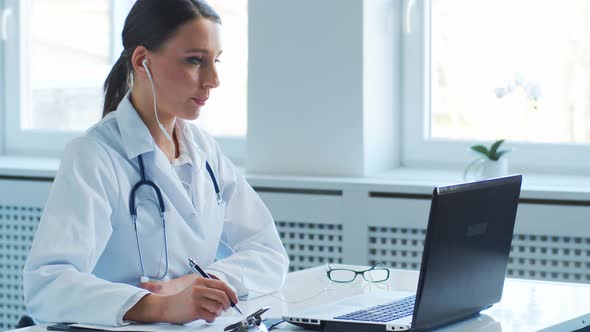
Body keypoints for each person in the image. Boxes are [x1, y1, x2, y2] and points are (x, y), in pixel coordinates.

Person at [23, 0, 289, 326]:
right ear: (142, 60)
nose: (213, 79)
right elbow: (47, 286)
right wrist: (157, 305)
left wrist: (197, 284)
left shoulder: (204, 151)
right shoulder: (94, 155)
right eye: (195, 60)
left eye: (215, 61)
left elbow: (268, 253)